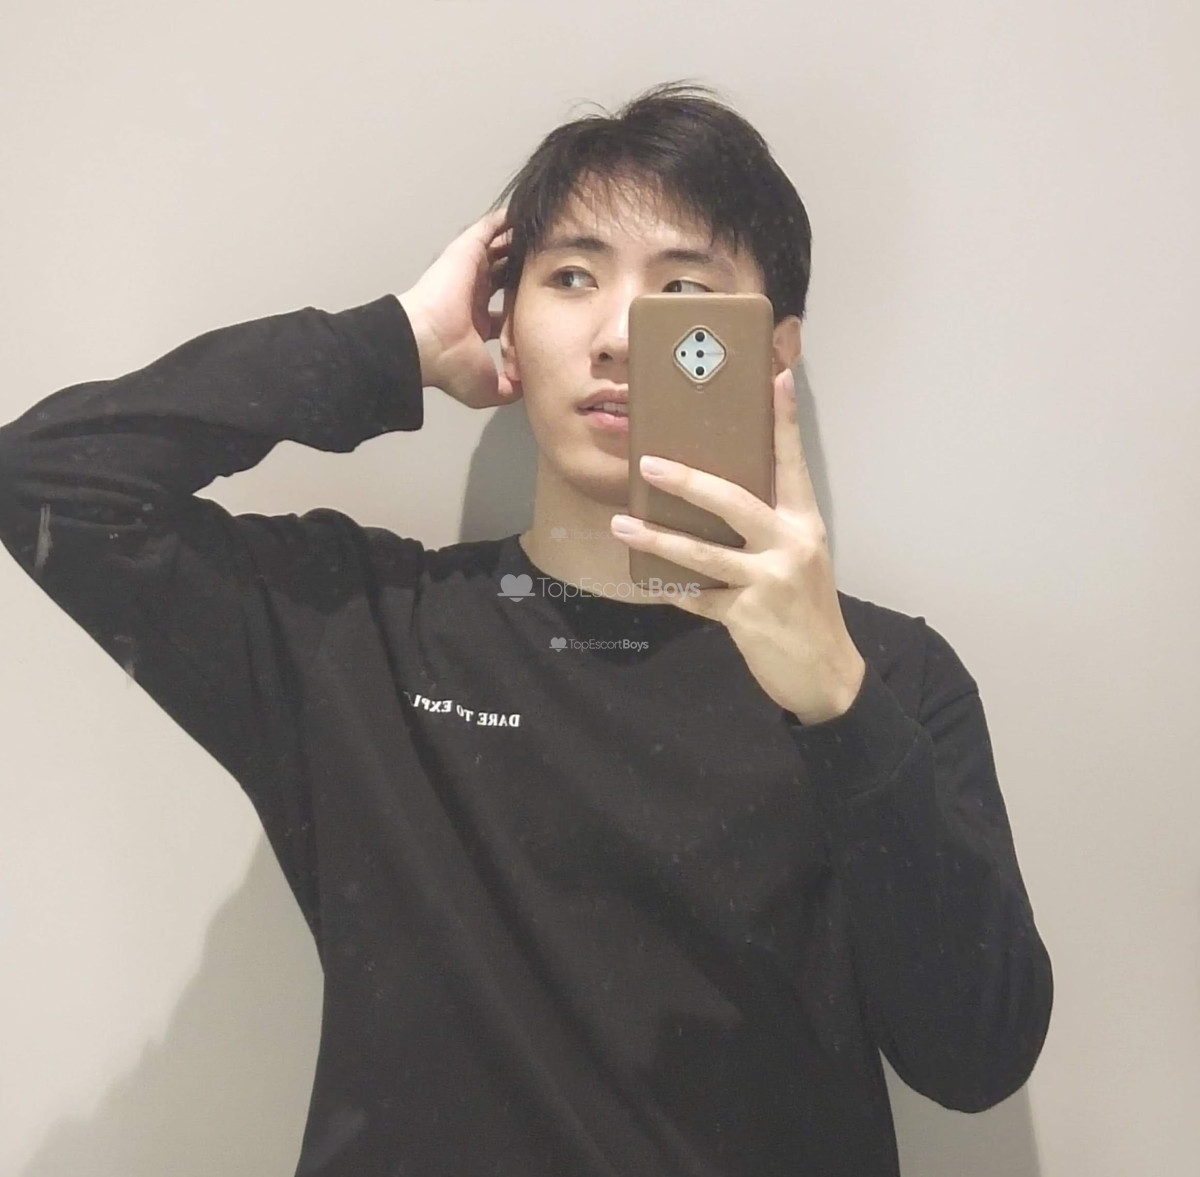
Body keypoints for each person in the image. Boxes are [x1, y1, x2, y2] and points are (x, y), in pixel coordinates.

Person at [0, 81, 1052, 1177]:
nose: (619, 336)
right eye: (572, 278)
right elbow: (47, 480)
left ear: (771, 351)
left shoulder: (886, 676)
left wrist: (838, 704)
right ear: (507, 318)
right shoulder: (362, 633)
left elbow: (976, 1055)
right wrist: (396, 343)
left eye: (683, 291)